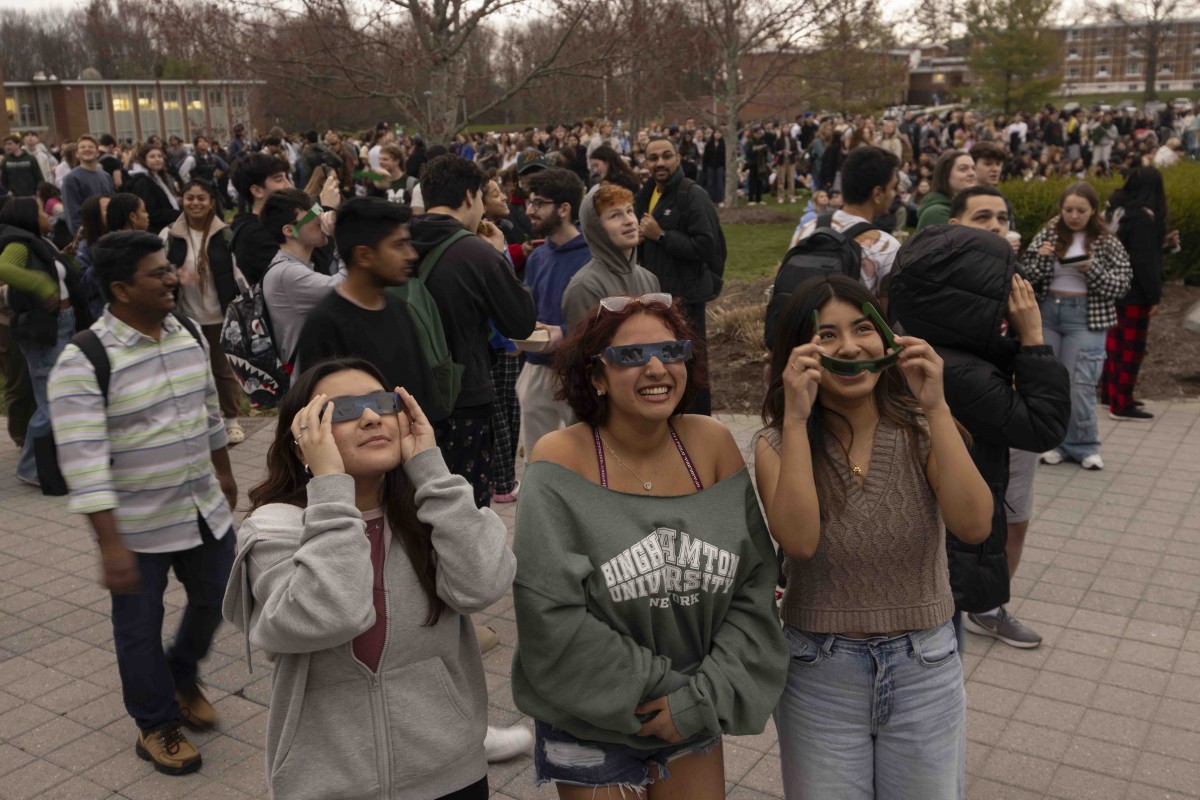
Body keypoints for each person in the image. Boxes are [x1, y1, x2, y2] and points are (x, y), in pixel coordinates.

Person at [512, 294, 788, 798]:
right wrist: (674, 691)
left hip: (694, 710)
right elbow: (549, 612)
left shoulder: (712, 444)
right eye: (630, 355)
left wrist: (699, 700)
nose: (657, 367)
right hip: (590, 720)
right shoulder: (560, 458)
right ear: (596, 376)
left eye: (672, 350)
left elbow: (754, 584)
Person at [222, 357, 513, 798]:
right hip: (329, 783)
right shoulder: (276, 527)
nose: (372, 417)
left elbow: (484, 584)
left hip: (451, 771)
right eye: (341, 410)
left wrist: (432, 471)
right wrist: (333, 490)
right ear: (303, 442)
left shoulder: (432, 510)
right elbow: (330, 615)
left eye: (381, 402)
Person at [757, 274, 993, 799]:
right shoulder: (777, 442)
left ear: (887, 338)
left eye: (864, 328)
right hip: (818, 670)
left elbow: (974, 524)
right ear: (797, 351)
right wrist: (796, 420)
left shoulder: (922, 428)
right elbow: (798, 542)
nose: (849, 347)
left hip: (924, 665)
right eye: (826, 335)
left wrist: (936, 404)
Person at [47, 230, 237, 776]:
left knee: (220, 597)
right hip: (136, 527)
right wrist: (110, 545)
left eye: (169, 268)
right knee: (137, 628)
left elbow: (207, 411)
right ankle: (155, 725)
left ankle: (180, 672)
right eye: (158, 273)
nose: (173, 277)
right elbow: (82, 462)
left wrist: (223, 474)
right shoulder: (83, 361)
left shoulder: (185, 334)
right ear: (120, 289)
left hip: (202, 507)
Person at [891, 220, 1070, 653]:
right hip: (946, 551)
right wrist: (1032, 339)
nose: (1016, 292)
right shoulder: (961, 373)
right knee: (943, 655)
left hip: (935, 546)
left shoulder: (937, 349)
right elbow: (1043, 426)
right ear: (968, 297)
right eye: (1004, 284)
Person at [408, 154, 537, 508]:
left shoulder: (395, 244)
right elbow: (521, 322)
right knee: (465, 510)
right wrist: (500, 257)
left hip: (403, 400)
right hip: (463, 400)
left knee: (414, 507)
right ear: (469, 196)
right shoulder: (476, 253)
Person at [1023, 182, 1132, 470]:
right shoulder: (1048, 233)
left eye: (1081, 210)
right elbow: (1027, 277)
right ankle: (1056, 442)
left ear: (1093, 210)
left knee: (1080, 383)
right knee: (1052, 382)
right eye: (1068, 209)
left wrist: (1090, 268)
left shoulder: (1107, 241)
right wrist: (1043, 258)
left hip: (1086, 316)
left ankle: (1085, 444)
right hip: (1048, 313)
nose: (1073, 216)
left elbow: (1121, 284)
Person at [294, 195, 439, 412]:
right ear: (364, 255)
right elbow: (322, 412)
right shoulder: (324, 325)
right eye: (399, 245)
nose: (411, 254)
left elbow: (422, 390)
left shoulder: (397, 307)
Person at [1, 193, 94, 487]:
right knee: (51, 401)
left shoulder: (39, 240)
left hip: (61, 325)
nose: (48, 214)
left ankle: (46, 462)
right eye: (42, 210)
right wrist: (41, 285)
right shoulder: (18, 243)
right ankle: (31, 468)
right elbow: (3, 267)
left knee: (58, 397)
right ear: (28, 215)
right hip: (44, 330)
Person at [634, 137, 723, 415]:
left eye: (666, 156)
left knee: (691, 367)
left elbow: (708, 247)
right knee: (663, 366)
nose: (660, 162)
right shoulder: (647, 194)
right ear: (645, 163)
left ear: (678, 159)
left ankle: (699, 430)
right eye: (653, 158)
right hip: (655, 298)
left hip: (686, 299)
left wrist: (660, 235)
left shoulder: (692, 195)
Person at [162, 178, 247, 443]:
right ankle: (196, 420)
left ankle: (231, 419)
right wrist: (176, 276)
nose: (195, 203)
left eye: (201, 198)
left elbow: (238, 273)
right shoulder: (169, 235)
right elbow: (158, 270)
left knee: (222, 370)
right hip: (184, 317)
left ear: (211, 202)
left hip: (219, 315)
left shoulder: (225, 234)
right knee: (189, 371)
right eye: (190, 197)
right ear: (182, 200)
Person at [516, 167, 592, 455]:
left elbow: (608, 318)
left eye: (539, 203)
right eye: (529, 202)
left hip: (578, 370)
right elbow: (529, 309)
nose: (530, 211)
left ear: (564, 208)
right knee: (539, 457)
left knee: (588, 452)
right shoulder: (537, 257)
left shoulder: (592, 257)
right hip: (536, 368)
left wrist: (565, 332)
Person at [1104, 166, 1178, 422]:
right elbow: (1144, 262)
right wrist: (1154, 296)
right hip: (1135, 294)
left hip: (1115, 288)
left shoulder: (1118, 211)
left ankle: (1110, 394)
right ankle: (1121, 402)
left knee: (1114, 344)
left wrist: (1162, 245)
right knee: (1130, 348)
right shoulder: (1144, 218)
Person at [788, 146, 902, 299]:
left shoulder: (806, 231)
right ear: (877, 194)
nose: (894, 194)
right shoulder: (886, 248)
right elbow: (888, 317)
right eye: (893, 187)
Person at [260, 188, 347, 369]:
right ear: (290, 230)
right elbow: (347, 287)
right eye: (314, 216)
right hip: (307, 380)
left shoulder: (293, 268)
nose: (320, 220)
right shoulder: (287, 273)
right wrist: (341, 236)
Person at [562, 184, 660, 330]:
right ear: (596, 228)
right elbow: (584, 350)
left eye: (629, 211)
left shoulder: (650, 279)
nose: (629, 221)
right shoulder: (585, 287)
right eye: (615, 215)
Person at [229, 152, 297, 286]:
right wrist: (322, 208)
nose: (289, 185)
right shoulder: (252, 236)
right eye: (279, 180)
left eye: (286, 178)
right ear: (257, 191)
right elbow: (303, 276)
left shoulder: (279, 222)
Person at [62, 134, 115, 235]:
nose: (87, 149)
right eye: (82, 147)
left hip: (108, 234)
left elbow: (112, 205)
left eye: (91, 147)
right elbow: (72, 213)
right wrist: (82, 236)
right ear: (77, 154)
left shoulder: (106, 176)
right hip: (88, 236)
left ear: (97, 152)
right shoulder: (71, 179)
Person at [124, 144, 182, 234]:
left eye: (160, 156)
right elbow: (150, 213)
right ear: (143, 160)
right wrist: (179, 214)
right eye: (152, 157)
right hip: (156, 232)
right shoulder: (143, 182)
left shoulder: (156, 177)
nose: (157, 159)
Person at [916, 150, 976, 231]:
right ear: (946, 175)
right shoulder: (936, 213)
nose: (972, 173)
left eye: (973, 168)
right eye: (963, 169)